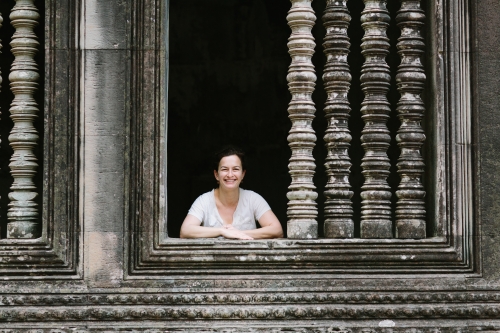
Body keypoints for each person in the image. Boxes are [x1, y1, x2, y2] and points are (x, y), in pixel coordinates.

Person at [180, 146, 283, 240]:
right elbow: (185, 231)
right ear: (216, 174)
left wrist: (238, 233)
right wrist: (221, 231)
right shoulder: (204, 200)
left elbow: (277, 230)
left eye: (235, 169)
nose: (230, 174)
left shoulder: (253, 198)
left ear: (243, 174)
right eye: (224, 169)